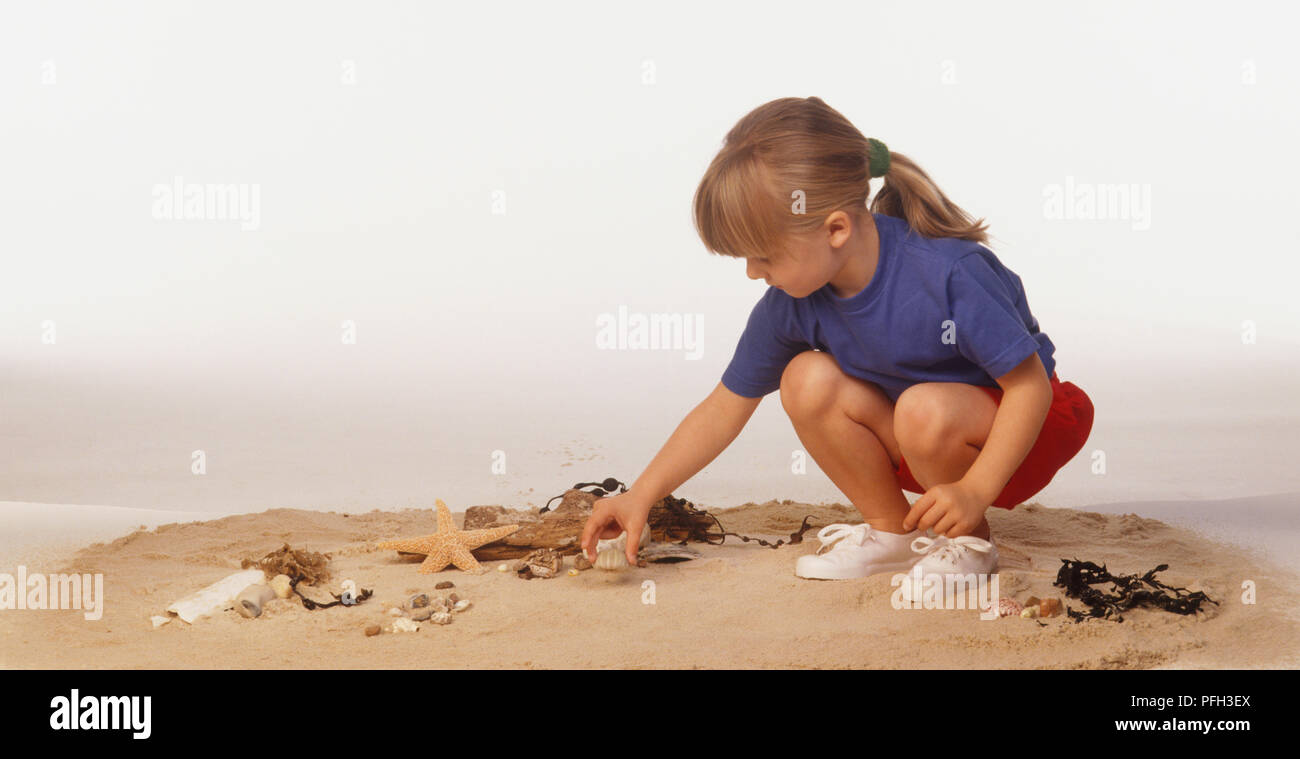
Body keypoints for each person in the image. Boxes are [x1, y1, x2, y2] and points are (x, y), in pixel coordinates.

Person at [579, 96, 1094, 581]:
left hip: (1024, 433)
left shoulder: (948, 272)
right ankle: (895, 533)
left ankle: (970, 542)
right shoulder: (792, 303)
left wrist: (975, 489)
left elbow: (1031, 389)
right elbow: (723, 407)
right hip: (923, 436)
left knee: (922, 407)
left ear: (836, 229)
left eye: (763, 255)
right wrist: (640, 494)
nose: (753, 273)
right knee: (804, 377)